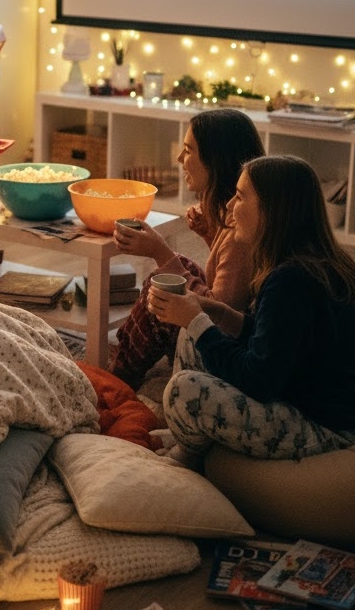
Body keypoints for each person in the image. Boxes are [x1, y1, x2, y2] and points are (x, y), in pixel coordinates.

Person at [152, 154, 355, 465]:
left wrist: (196, 320)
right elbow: (275, 346)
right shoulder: (318, 263)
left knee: (184, 390)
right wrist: (217, 315)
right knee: (195, 335)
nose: (231, 207)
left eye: (241, 196)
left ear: (273, 211)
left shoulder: (290, 280)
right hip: (305, 394)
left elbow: (259, 379)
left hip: (325, 427)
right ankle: (190, 436)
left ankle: (191, 459)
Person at [110, 108, 265, 389]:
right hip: (233, 330)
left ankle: (120, 376)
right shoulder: (235, 218)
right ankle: (125, 355)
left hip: (224, 350)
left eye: (188, 150)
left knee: (159, 290)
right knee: (175, 271)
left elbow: (220, 314)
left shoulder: (238, 233)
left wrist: (160, 251)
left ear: (214, 160)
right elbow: (229, 278)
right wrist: (209, 234)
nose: (180, 159)